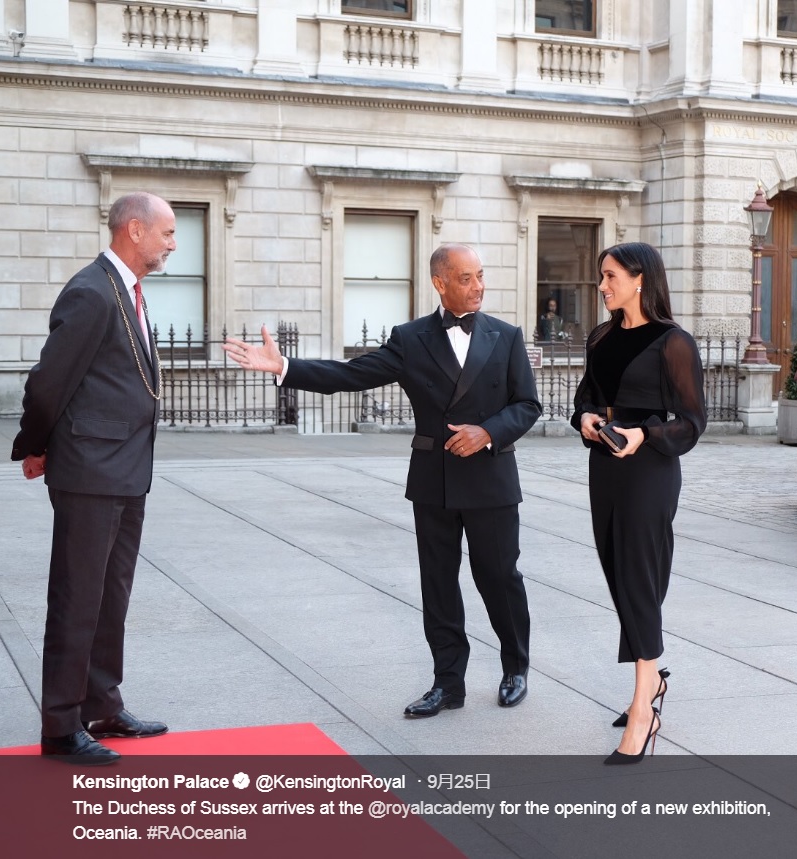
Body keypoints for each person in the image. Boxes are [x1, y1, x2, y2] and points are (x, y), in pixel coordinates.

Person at [224, 243, 542, 716]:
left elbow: (527, 405)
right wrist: (283, 367)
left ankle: (515, 667)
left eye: (481, 276)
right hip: (433, 479)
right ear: (440, 282)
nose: (478, 287)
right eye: (466, 278)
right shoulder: (411, 338)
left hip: (491, 478)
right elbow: (351, 375)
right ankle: (447, 683)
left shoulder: (507, 335)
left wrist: (487, 432)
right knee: (438, 584)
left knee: (498, 577)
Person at [11, 192, 175, 764]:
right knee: (78, 597)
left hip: (127, 469)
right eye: (167, 233)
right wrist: (35, 445)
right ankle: (60, 726)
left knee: (112, 596)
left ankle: (102, 703)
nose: (172, 244)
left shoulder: (127, 292)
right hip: (90, 471)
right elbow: (48, 382)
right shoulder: (90, 291)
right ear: (135, 230)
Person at [571, 242, 706, 764]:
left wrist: (644, 435)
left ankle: (643, 705)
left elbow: (692, 422)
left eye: (608, 276)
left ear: (639, 278)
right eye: (600, 276)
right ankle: (651, 684)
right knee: (618, 574)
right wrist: (586, 419)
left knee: (639, 580)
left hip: (648, 470)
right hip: (604, 466)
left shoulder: (674, 343)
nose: (601, 285)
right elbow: (587, 395)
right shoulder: (601, 335)